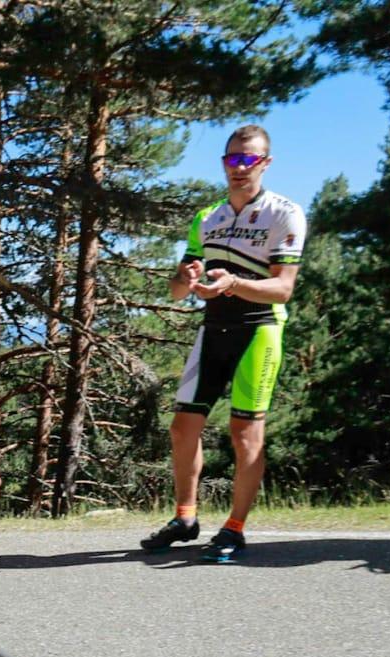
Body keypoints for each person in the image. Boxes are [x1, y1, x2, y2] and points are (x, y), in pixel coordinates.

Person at [139, 124, 307, 563]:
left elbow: (283, 289)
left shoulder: (284, 213)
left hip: (259, 330)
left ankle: (234, 528)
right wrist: (187, 278)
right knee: (182, 428)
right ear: (223, 163)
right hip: (213, 328)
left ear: (265, 163)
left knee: (245, 434)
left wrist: (235, 282)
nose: (240, 167)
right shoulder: (207, 218)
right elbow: (178, 289)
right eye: (233, 159)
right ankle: (185, 517)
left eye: (249, 159)